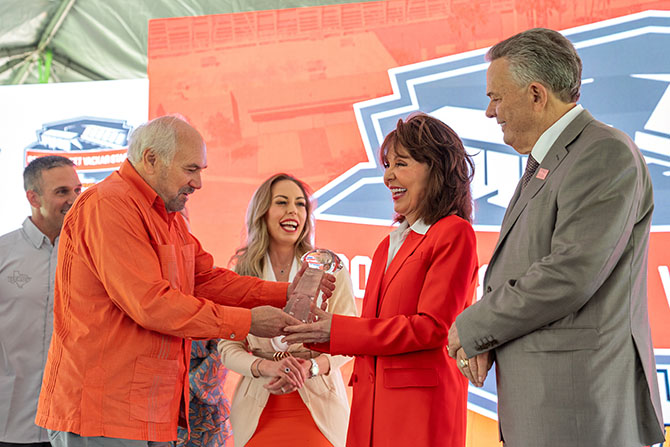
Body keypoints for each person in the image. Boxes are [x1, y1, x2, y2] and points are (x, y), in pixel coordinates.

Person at [34, 115, 335, 447]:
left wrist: (286, 292)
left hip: (149, 410)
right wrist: (248, 321)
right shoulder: (109, 205)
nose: (198, 183)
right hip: (104, 410)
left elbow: (205, 279)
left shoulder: (167, 215)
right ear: (151, 159)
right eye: (191, 169)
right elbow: (151, 304)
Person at [446, 28, 665, 447]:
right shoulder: (551, 161)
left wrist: (475, 325)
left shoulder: (604, 153)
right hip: (550, 405)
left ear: (535, 94)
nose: (491, 112)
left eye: (496, 97)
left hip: (580, 408)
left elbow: (570, 273)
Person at [284, 114, 478, 447]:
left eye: (401, 164)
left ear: (437, 169)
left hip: (419, 414)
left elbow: (432, 327)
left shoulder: (453, 233)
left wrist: (337, 331)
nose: (388, 176)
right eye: (388, 165)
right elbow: (374, 330)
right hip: (370, 410)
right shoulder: (387, 245)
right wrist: (317, 335)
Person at [218, 173, 357, 447]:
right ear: (263, 212)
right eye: (281, 202)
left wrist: (312, 368)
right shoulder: (241, 274)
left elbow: (349, 340)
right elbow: (227, 348)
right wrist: (266, 366)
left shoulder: (331, 267)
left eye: (300, 204)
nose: (293, 210)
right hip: (257, 412)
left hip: (320, 411)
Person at [0, 156, 81, 447]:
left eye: (77, 191)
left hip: (70, 426)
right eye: (62, 192)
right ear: (32, 197)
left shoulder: (93, 255)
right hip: (8, 423)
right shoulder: (3, 252)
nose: (73, 200)